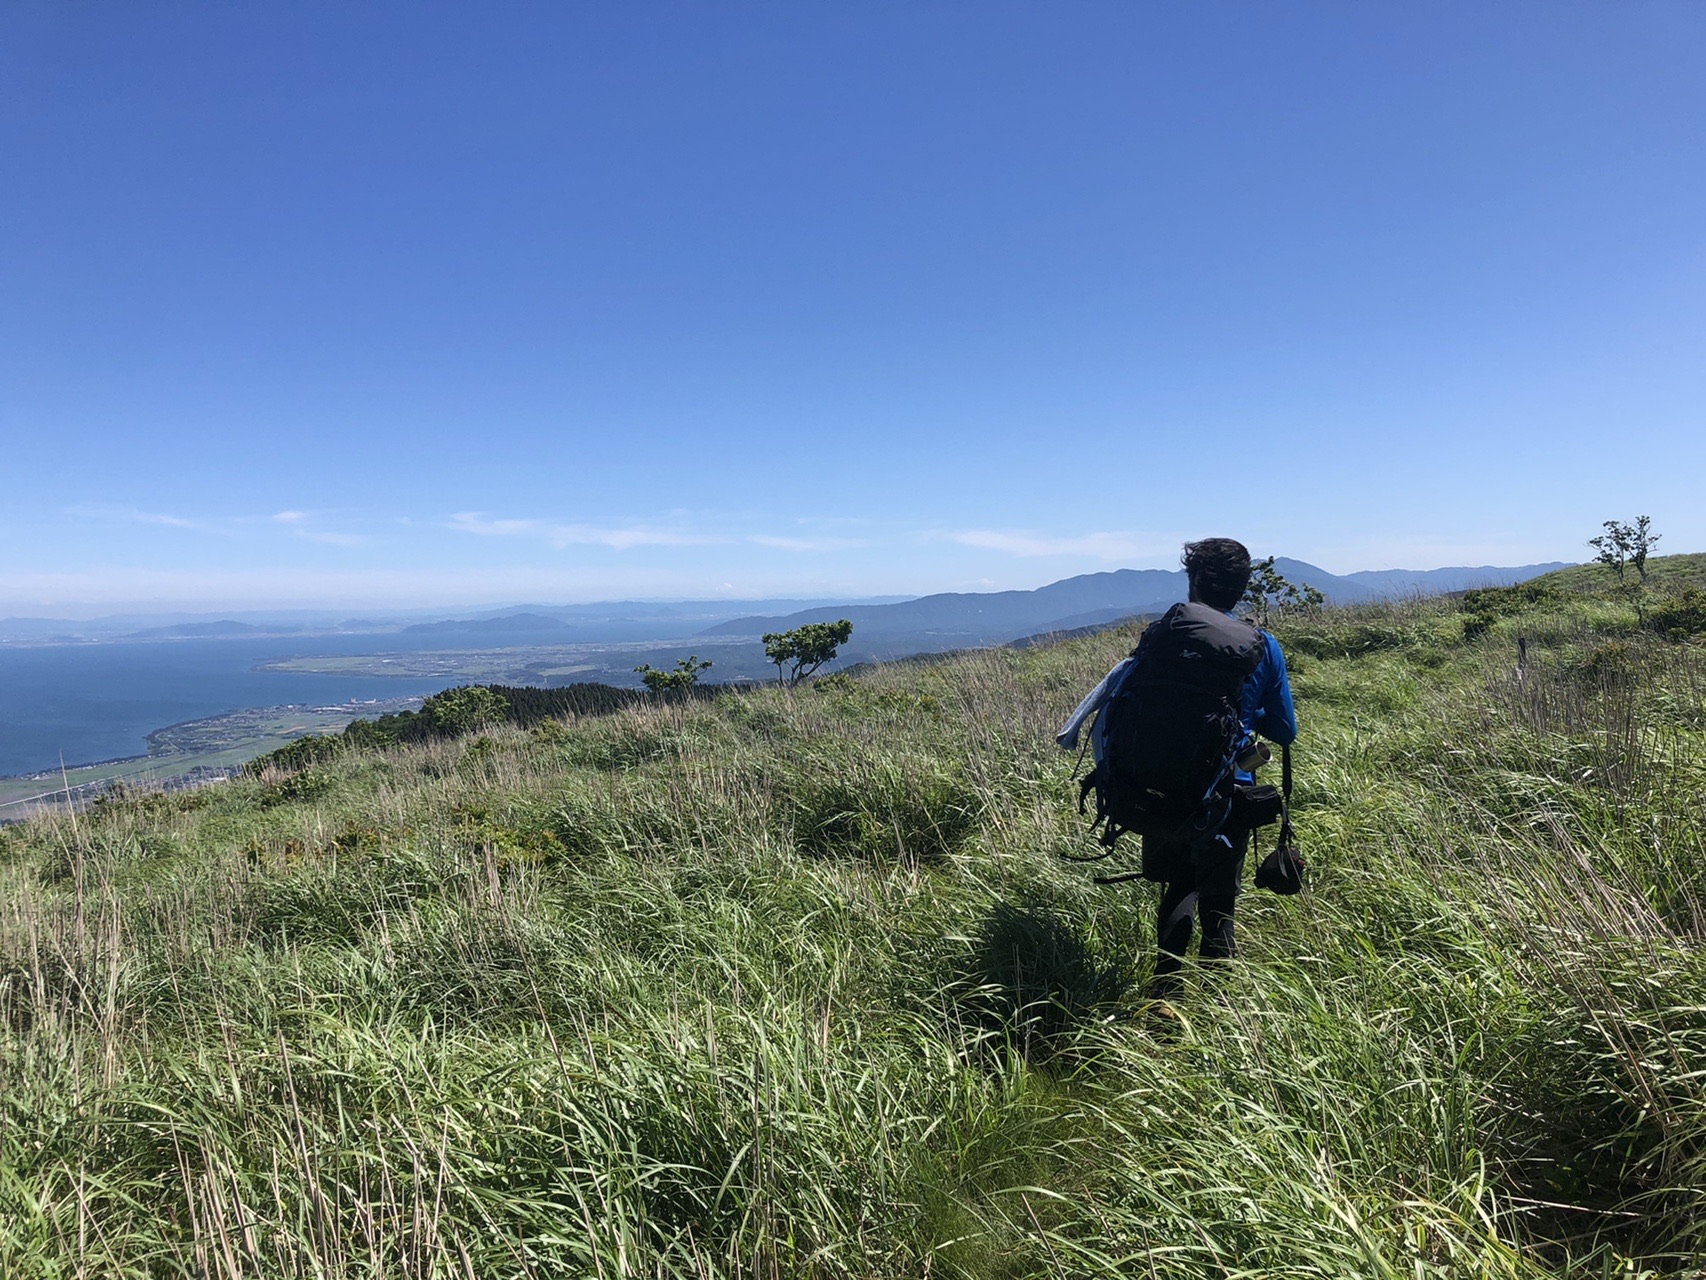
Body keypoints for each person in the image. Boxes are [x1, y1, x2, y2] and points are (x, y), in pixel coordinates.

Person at [1146, 537, 1297, 1002]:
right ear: (1242, 587)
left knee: (1177, 888)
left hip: (1160, 788)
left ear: (1192, 581)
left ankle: (1165, 999)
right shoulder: (1261, 646)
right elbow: (1286, 731)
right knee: (1219, 905)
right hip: (1227, 794)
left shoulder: (1163, 635)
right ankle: (1215, 1015)